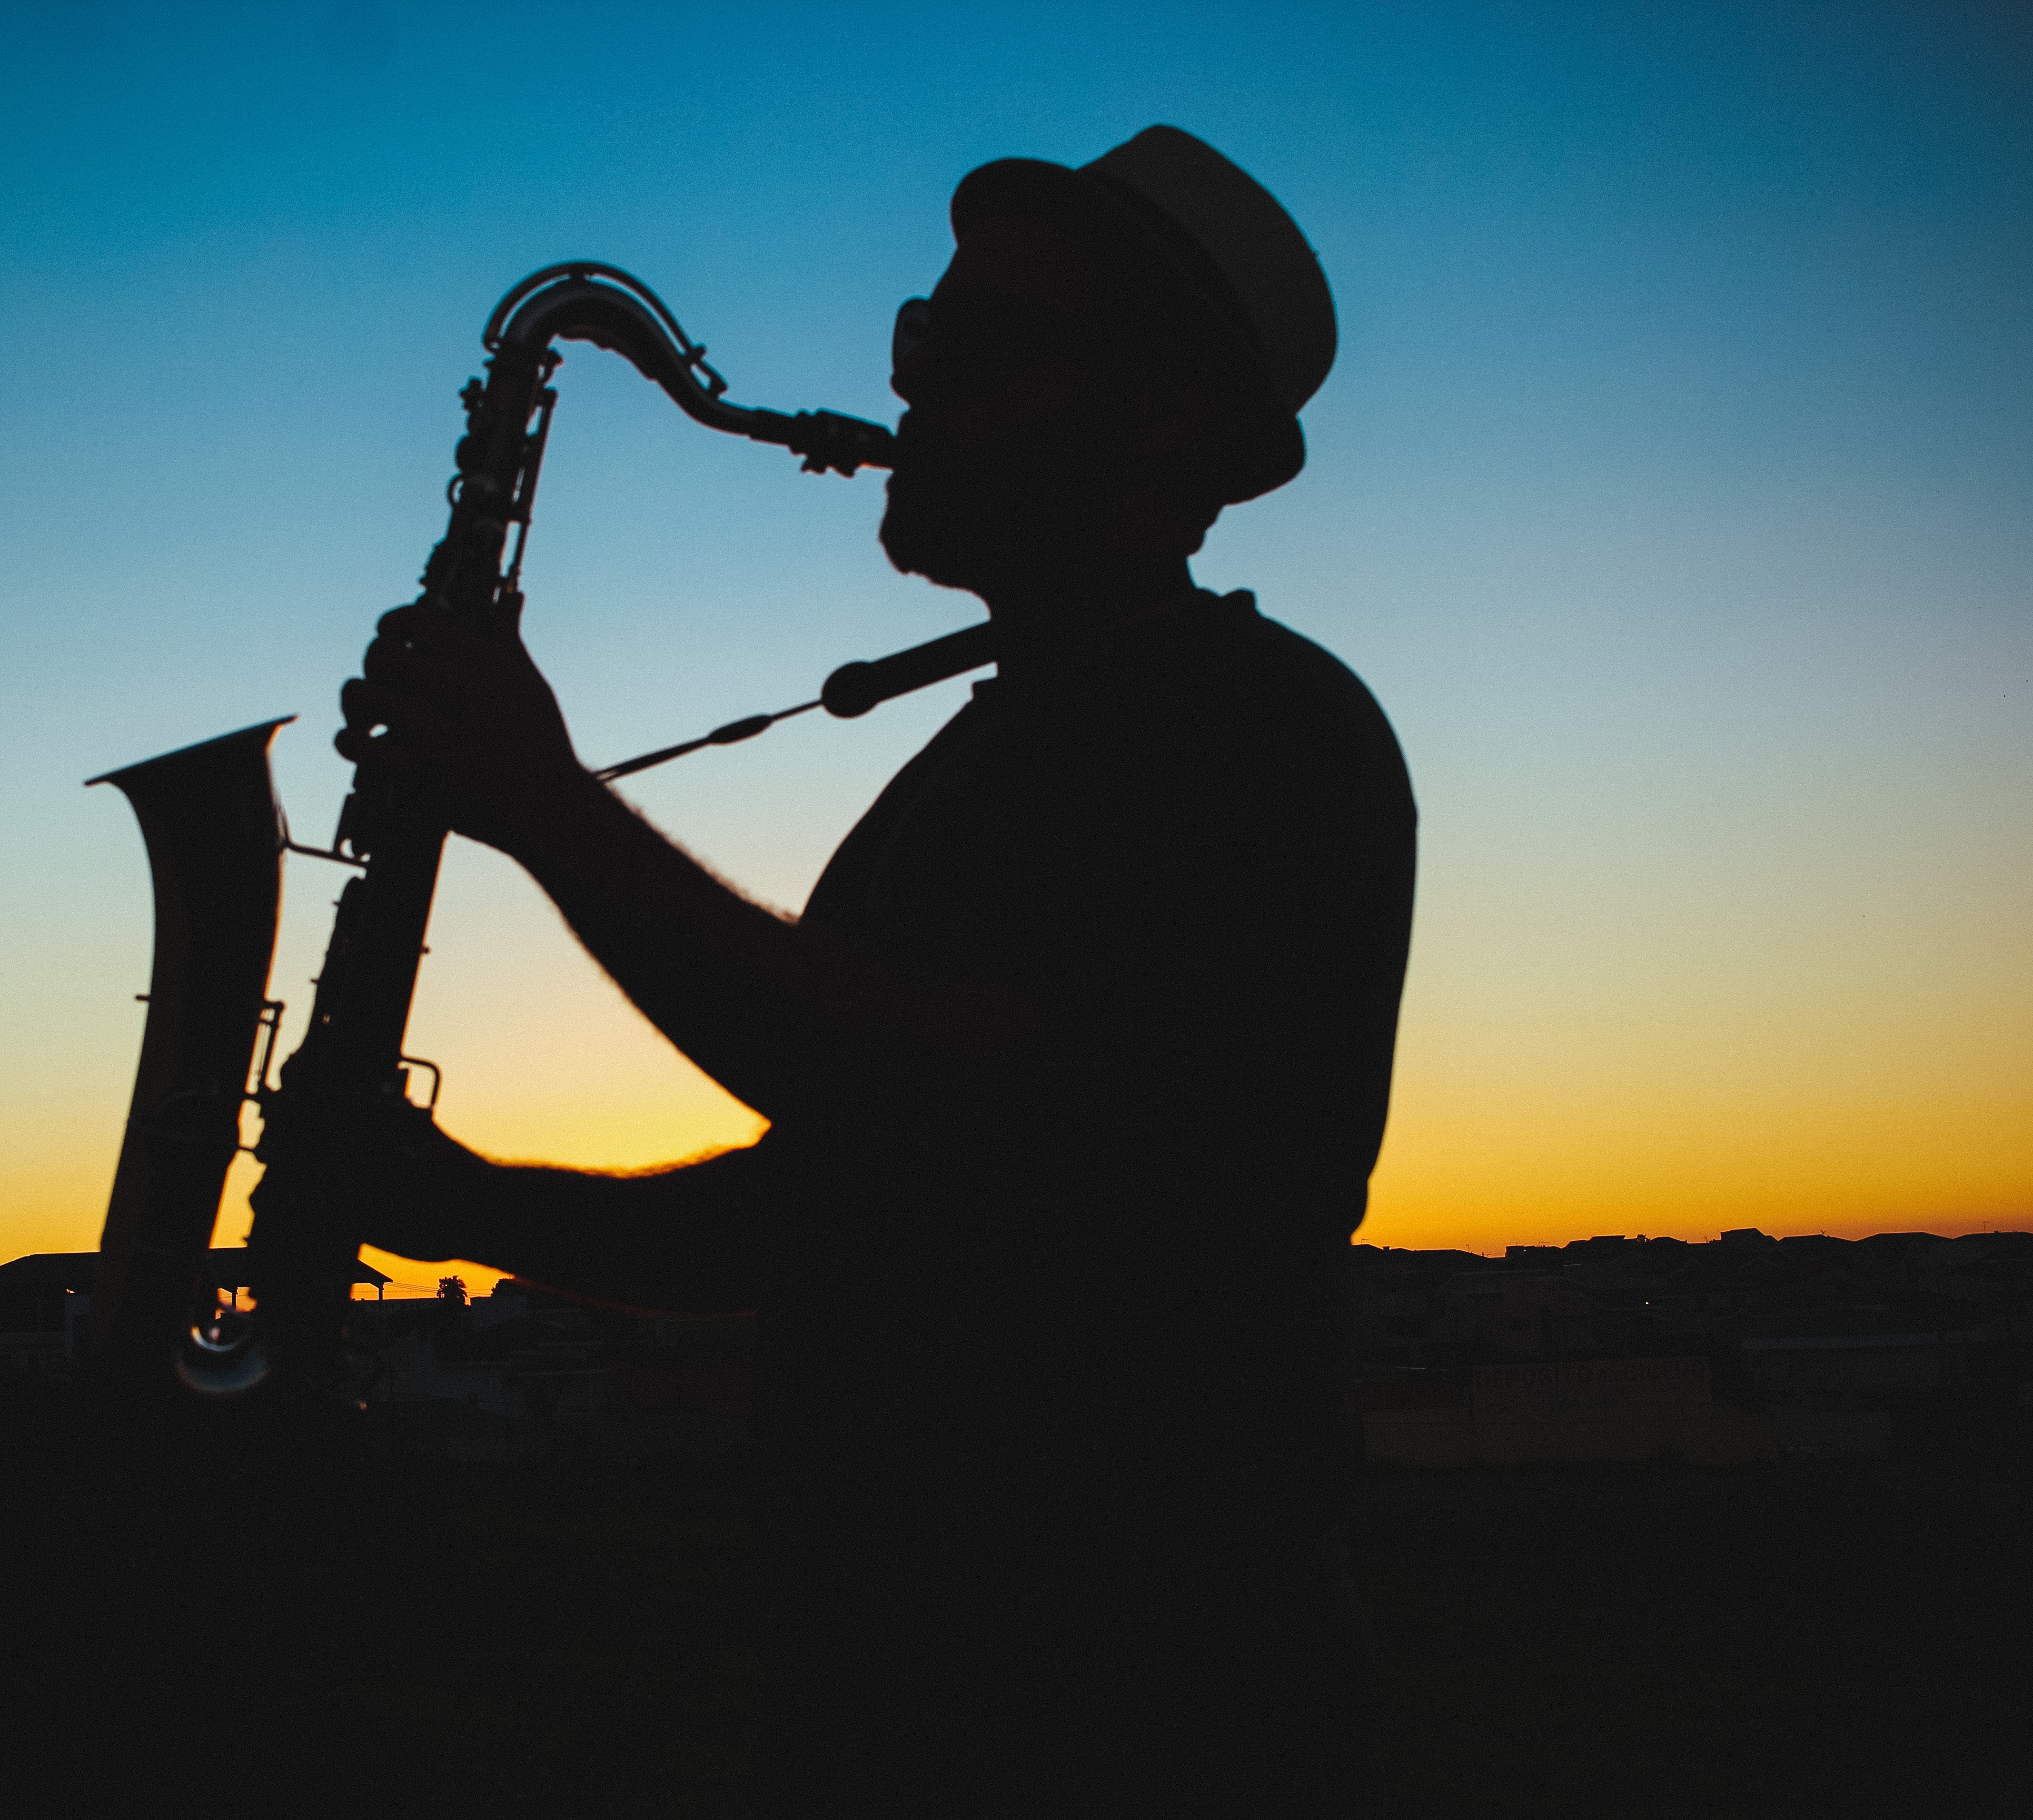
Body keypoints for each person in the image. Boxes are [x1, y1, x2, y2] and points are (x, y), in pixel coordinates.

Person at [335, 126, 1415, 1812]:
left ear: (1155, 430)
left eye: (969, 351)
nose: (904, 390)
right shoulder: (1010, 751)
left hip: (1143, 1699)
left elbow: (935, 1090)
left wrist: (543, 809)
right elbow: (838, 1200)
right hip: (945, 1681)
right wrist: (469, 1205)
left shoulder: (1260, 731)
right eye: (923, 339)